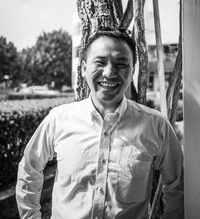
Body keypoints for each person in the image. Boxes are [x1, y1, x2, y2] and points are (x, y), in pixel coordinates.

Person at [16, 28, 184, 219]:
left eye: (121, 64)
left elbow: (178, 185)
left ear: (133, 71)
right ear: (83, 68)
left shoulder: (156, 125)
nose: (110, 72)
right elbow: (29, 168)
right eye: (100, 62)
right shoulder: (59, 119)